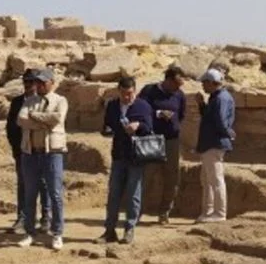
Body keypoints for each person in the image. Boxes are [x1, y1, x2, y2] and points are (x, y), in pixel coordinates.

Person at [14, 68, 69, 250]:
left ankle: (57, 233)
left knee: (55, 194)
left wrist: (35, 116)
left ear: (52, 83)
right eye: (37, 82)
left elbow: (57, 118)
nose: (38, 86)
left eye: (42, 82)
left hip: (52, 153)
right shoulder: (29, 101)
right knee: (30, 194)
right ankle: (29, 232)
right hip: (31, 153)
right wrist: (44, 123)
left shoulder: (60, 101)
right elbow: (21, 120)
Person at [101, 76, 155, 244]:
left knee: (133, 194)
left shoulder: (143, 106)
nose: (127, 97)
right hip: (119, 154)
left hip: (136, 157)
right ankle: (110, 231)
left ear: (135, 91)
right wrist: (109, 130)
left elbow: (149, 128)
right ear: (119, 91)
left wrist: (138, 126)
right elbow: (107, 125)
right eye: (124, 93)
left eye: (130, 93)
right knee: (114, 194)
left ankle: (129, 229)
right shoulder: (112, 105)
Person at [138, 65, 187, 223]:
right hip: (152, 138)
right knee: (146, 176)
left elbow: (181, 115)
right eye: (176, 84)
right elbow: (140, 110)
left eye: (180, 85)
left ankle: (164, 212)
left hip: (172, 140)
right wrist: (158, 114)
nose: (178, 88)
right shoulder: (149, 91)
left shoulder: (180, 95)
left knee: (172, 177)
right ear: (168, 80)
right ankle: (136, 212)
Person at [4, 72, 46, 235]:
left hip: (41, 149)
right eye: (26, 81)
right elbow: (11, 127)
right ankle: (23, 218)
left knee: (43, 184)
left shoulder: (44, 100)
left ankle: (45, 218)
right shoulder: (17, 102)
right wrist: (16, 148)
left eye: (31, 82)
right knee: (23, 185)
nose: (28, 85)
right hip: (22, 150)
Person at [195, 68, 236, 223]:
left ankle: (219, 213)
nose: (202, 86)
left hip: (214, 143)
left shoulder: (221, 99)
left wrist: (228, 133)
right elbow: (210, 117)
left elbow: (220, 121)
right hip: (209, 143)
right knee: (207, 180)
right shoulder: (215, 97)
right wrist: (201, 104)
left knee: (216, 180)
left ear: (212, 83)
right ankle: (208, 211)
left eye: (204, 83)